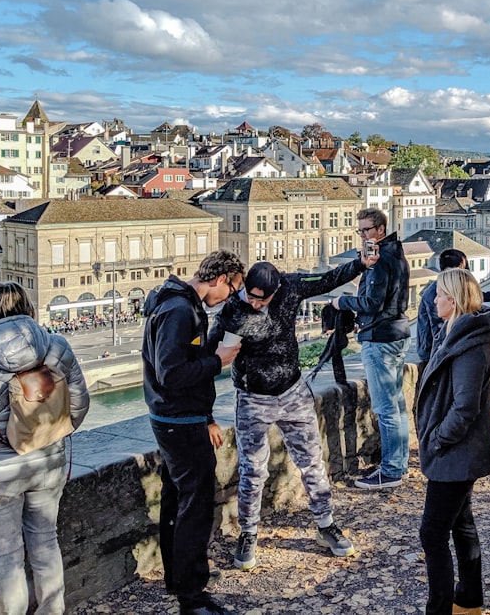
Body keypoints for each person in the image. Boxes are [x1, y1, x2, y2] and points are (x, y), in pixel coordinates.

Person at [210, 256, 371, 571]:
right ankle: (249, 533)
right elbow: (209, 352)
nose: (255, 303)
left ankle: (326, 525)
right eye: (250, 296)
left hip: (293, 391)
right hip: (252, 398)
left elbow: (327, 279)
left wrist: (360, 264)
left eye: (262, 299)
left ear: (276, 290)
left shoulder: (291, 288)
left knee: (312, 462)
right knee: (253, 472)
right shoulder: (232, 310)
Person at [0, 282, 90, 615]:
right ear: (29, 308)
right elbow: (78, 407)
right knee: (45, 540)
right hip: (49, 465)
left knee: (6, 556)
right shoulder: (57, 348)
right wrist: (49, 436)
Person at [142, 249, 246, 615]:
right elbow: (171, 373)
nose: (229, 298)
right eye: (232, 291)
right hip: (178, 421)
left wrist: (207, 416)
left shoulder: (177, 302)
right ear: (222, 279)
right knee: (195, 506)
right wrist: (218, 361)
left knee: (177, 501)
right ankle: (191, 596)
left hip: (176, 418)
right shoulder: (180, 311)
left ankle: (180, 579)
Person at [416, 268, 490, 615]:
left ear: (455, 299)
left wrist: (436, 440)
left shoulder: (468, 346)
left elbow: (465, 407)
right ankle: (469, 598)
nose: (433, 300)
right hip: (457, 452)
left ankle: (439, 609)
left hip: (455, 454)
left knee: (432, 534)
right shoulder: (453, 333)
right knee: (462, 524)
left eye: (438, 295)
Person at [332, 208, 411, 491]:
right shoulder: (397, 253)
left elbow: (372, 303)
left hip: (380, 337)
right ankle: (398, 464)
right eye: (360, 231)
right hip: (397, 331)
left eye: (366, 230)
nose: (363, 235)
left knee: (386, 408)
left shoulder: (379, 259)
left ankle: (390, 471)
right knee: (397, 406)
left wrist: (342, 303)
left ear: (380, 229)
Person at [416, 249, 490, 429]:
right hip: (435, 352)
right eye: (465, 268)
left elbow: (477, 297)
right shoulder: (438, 294)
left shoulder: (444, 291)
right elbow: (438, 334)